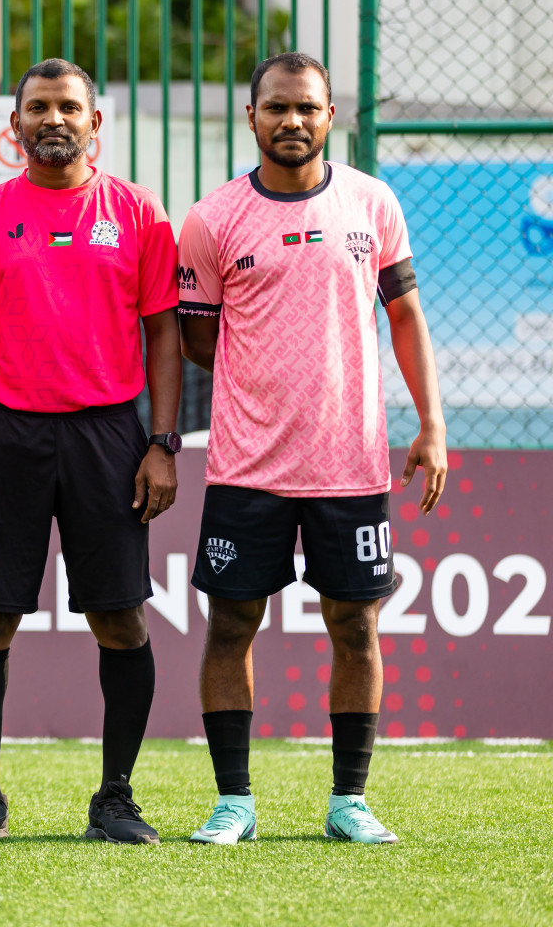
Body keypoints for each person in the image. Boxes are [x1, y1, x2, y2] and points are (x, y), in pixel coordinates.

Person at [178, 52, 447, 845]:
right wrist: (264, 386)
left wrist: (431, 424)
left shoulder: (372, 202)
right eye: (277, 109)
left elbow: (404, 318)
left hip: (350, 461)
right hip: (246, 464)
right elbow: (200, 339)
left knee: (355, 626)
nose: (291, 122)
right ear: (251, 117)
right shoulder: (213, 218)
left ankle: (348, 803)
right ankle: (235, 803)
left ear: (330, 117)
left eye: (307, 109)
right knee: (231, 625)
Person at [0, 60, 181, 845]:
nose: (54, 118)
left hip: (108, 435)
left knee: (121, 620)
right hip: (4, 434)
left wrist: (162, 444)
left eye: (68, 106)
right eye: (38, 106)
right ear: (15, 125)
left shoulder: (139, 213)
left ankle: (116, 796)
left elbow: (165, 335)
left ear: (94, 122)